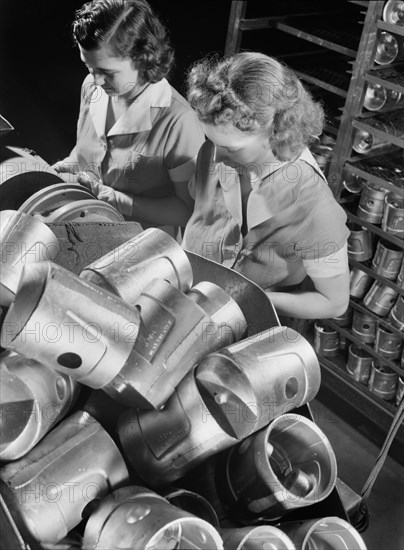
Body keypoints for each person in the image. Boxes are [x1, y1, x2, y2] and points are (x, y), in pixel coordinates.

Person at [182, 52, 350, 320]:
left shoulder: (315, 208)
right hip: (188, 295)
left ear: (278, 132)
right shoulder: (213, 152)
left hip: (242, 321)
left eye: (232, 149)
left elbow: (333, 302)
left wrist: (251, 297)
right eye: (211, 141)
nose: (216, 156)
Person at [53, 0, 205, 231]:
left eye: (107, 72)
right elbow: (85, 156)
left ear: (143, 58)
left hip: (142, 247)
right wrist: (56, 171)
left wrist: (116, 200)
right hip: (84, 224)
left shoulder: (179, 121)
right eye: (89, 67)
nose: (96, 80)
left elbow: (187, 210)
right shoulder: (91, 88)